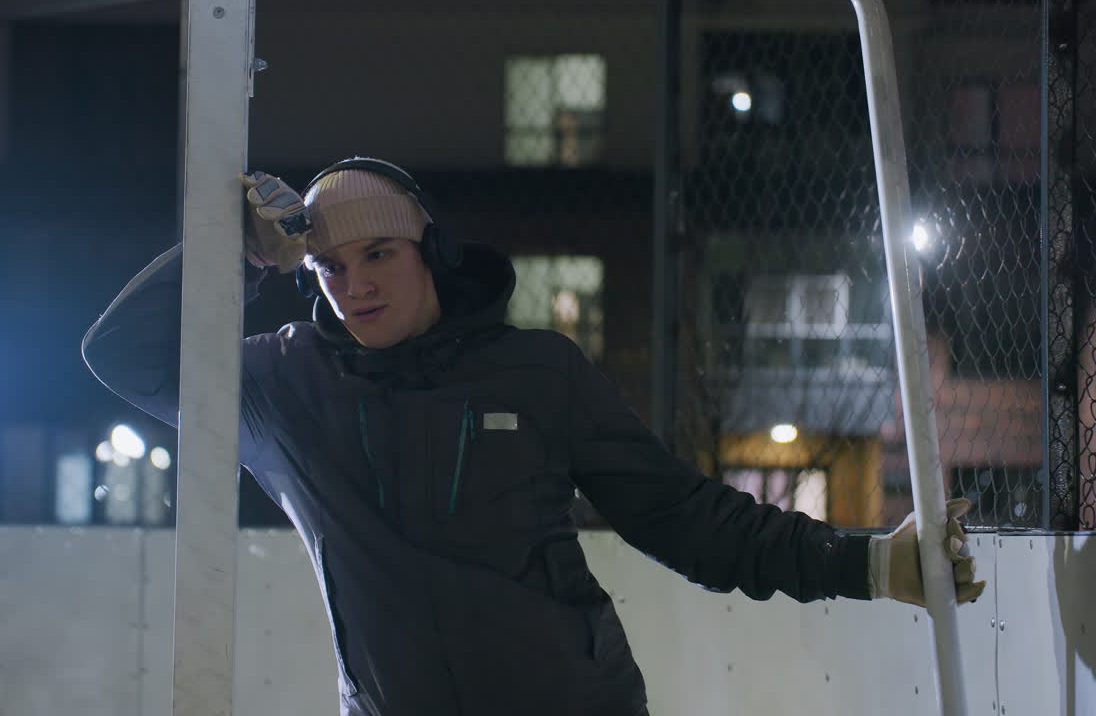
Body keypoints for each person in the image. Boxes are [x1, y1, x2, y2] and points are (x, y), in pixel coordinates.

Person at [82, 157, 984, 716]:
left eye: (378, 255)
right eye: (327, 268)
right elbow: (122, 356)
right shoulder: (284, 387)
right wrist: (232, 252)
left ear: (428, 250)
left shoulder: (536, 371)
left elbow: (686, 518)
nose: (352, 286)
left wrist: (871, 566)